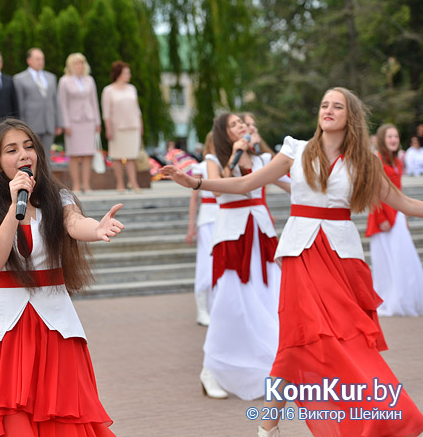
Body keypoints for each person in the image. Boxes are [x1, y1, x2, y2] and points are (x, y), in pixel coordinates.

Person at [161, 87, 423, 437]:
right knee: (303, 337)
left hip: (343, 258)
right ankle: (278, 425)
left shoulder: (365, 160)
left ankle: (270, 426)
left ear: (351, 117)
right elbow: (245, 183)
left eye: (337, 106)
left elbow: (404, 203)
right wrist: (194, 182)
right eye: (324, 104)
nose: (327, 110)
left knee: (327, 342)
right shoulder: (295, 150)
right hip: (301, 253)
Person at [0, 118, 120, 436]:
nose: (23, 154)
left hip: (56, 327)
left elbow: (76, 224)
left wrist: (96, 229)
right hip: (2, 332)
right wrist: (13, 207)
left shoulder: (59, 198)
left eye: (29, 146)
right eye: (12, 149)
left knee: (62, 423)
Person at [176, 113, 287, 401]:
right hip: (231, 235)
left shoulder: (262, 160)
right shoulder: (214, 161)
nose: (243, 127)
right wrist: (235, 156)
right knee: (229, 304)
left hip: (261, 233)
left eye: (244, 124)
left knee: (269, 299)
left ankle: (272, 368)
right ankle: (210, 369)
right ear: (225, 133)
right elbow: (220, 186)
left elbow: (290, 181)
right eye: (235, 125)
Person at [366, 124, 423, 316]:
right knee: (388, 261)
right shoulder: (377, 160)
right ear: (382, 139)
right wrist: (381, 216)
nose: (393, 140)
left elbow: (399, 192)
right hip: (383, 218)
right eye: (390, 136)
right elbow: (373, 192)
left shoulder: (398, 161)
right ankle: (390, 299)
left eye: (396, 137)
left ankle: (406, 299)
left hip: (398, 215)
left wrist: (404, 214)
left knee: (404, 259)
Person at [57, 53, 101, 193]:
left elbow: (94, 101)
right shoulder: (64, 81)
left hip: (88, 120)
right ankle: (76, 185)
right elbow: (62, 103)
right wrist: (66, 123)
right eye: (76, 63)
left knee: (88, 153)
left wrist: (97, 121)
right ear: (70, 65)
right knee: (74, 154)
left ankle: (86, 185)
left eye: (81, 63)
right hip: (73, 122)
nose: (79, 66)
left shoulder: (89, 80)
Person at [186, 132, 217, 326]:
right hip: (207, 218)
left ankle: (216, 307)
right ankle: (202, 309)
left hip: (226, 217)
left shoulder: (227, 166)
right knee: (207, 264)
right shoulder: (202, 167)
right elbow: (194, 198)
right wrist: (191, 226)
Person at [101, 61, 143, 193]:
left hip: (133, 127)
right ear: (118, 74)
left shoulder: (132, 89)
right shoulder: (108, 90)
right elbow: (106, 112)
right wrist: (108, 128)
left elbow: (137, 110)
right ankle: (120, 184)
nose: (129, 75)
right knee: (117, 157)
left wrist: (140, 125)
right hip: (117, 128)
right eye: (126, 72)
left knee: (132, 157)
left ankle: (134, 183)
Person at [13, 48, 61, 161]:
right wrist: (21, 125)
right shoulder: (19, 79)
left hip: (49, 124)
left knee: (47, 157)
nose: (41, 61)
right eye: (37, 59)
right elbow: (20, 104)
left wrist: (58, 123)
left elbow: (55, 101)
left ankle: (46, 179)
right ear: (29, 60)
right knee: (31, 156)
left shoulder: (51, 78)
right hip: (31, 124)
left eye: (42, 59)